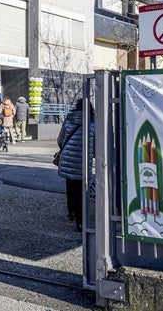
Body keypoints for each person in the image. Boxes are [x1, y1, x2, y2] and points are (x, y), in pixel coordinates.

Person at [57, 98, 95, 232]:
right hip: (83, 162)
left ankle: (71, 212)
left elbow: (60, 139)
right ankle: (80, 222)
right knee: (81, 191)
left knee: (70, 186)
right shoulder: (93, 124)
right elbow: (96, 146)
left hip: (68, 159)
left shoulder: (69, 120)